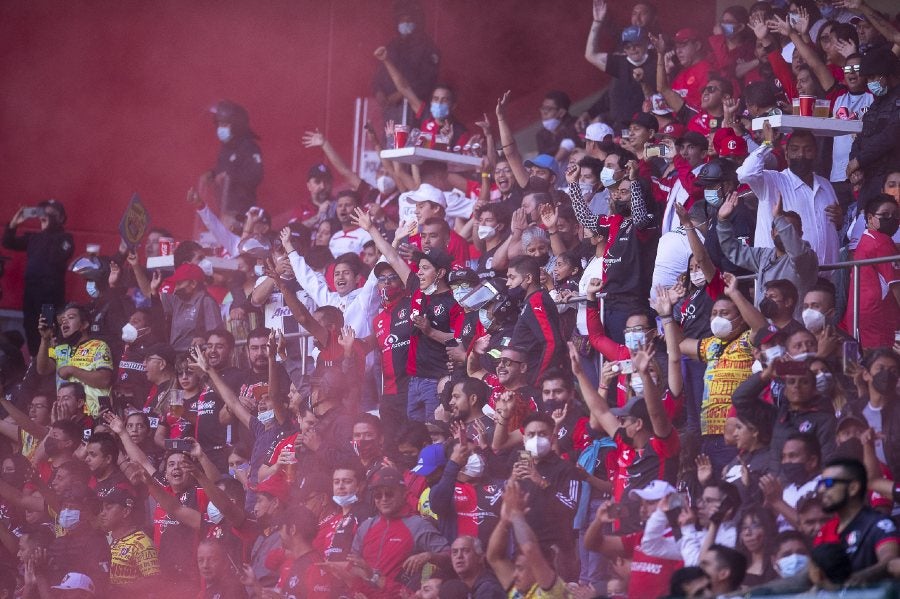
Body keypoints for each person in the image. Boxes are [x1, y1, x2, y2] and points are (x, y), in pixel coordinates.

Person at [737, 121, 842, 267]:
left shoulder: (825, 184)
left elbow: (833, 225)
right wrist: (767, 143)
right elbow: (745, 173)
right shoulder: (772, 181)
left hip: (825, 276)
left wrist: (838, 221)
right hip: (782, 279)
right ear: (786, 154)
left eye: (808, 149)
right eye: (794, 149)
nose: (801, 155)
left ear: (816, 153)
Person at [717, 193, 818, 315]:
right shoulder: (764, 255)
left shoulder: (807, 257)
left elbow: (797, 253)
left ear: (800, 234)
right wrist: (723, 221)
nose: (782, 231)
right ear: (771, 234)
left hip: (793, 330)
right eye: (778, 229)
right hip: (765, 330)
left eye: (789, 228)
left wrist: (779, 219)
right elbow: (734, 251)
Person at [3, 199, 74, 356]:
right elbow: (8, 242)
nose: (45, 215)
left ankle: (49, 366)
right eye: (43, 212)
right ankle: (35, 364)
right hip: (31, 295)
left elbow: (57, 257)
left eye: (51, 213)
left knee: (48, 327)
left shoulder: (65, 238)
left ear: (61, 217)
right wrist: (15, 223)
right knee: (30, 326)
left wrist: (50, 227)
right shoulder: (33, 238)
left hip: (50, 299)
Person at [813, 457, 899, 581]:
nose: (821, 490)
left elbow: (889, 561)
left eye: (828, 483)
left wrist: (849, 583)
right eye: (820, 484)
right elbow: (811, 575)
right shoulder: (825, 531)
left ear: (853, 488)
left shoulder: (878, 524)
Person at [839, 194, 900, 349]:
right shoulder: (882, 242)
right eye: (885, 215)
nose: (892, 219)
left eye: (896, 215)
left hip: (862, 314)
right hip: (878, 316)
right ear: (870, 218)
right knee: (882, 365)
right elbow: (896, 287)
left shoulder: (867, 238)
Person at [35, 304, 113, 417]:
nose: (64, 322)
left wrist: (72, 370)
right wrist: (45, 338)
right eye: (62, 321)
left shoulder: (98, 346)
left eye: (71, 317)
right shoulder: (60, 349)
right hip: (67, 418)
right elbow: (42, 369)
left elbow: (104, 380)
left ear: (84, 324)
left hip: (95, 416)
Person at [847, 47, 900, 202]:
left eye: (872, 77)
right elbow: (861, 137)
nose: (869, 83)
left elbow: (892, 134)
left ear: (886, 75)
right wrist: (854, 167)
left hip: (893, 181)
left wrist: (859, 160)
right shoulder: (876, 104)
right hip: (869, 181)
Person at [201, 99, 263, 222]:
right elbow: (223, 170)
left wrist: (230, 177)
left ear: (236, 125)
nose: (220, 128)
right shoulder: (227, 147)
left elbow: (255, 176)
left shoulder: (249, 147)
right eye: (219, 124)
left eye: (224, 124)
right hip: (223, 210)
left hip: (240, 214)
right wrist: (212, 174)